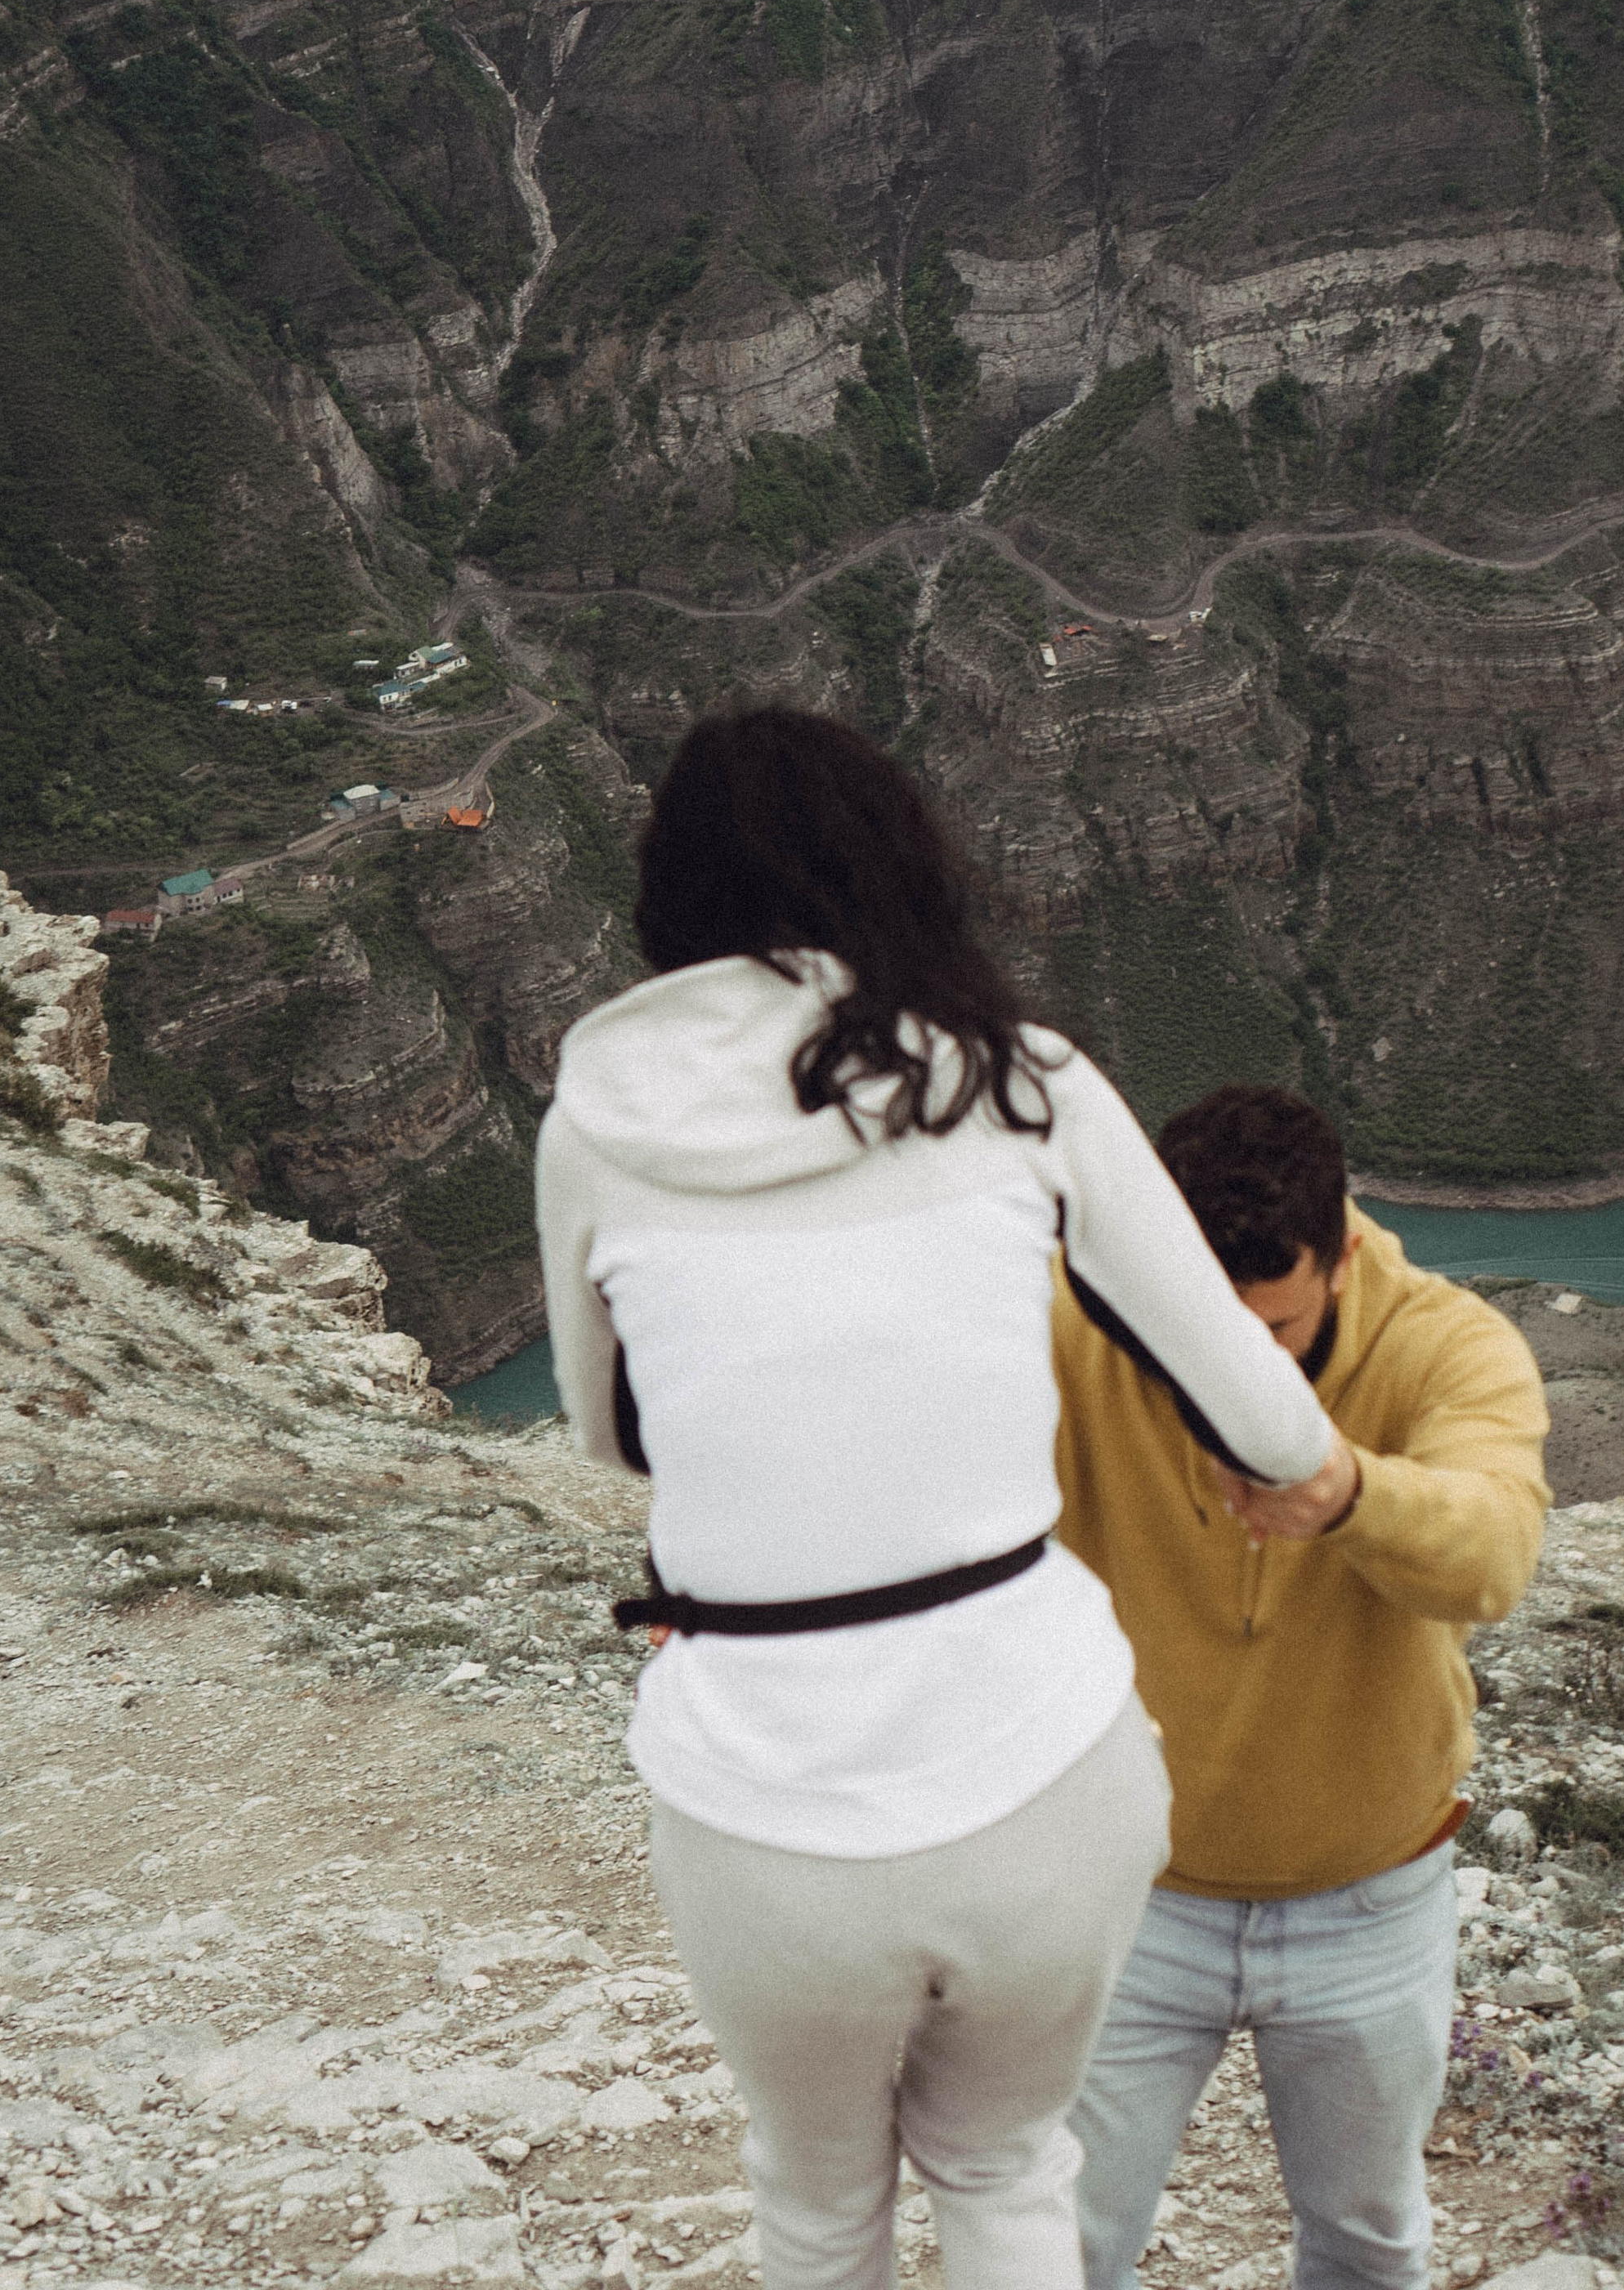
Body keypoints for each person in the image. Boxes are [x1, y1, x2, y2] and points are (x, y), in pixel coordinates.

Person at [535, 712, 1348, 2290]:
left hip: (761, 1795)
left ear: (670, 896)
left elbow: (610, 1439)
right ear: (902, 866)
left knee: (817, 2205)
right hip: (1040, 1762)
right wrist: (1315, 1489)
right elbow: (1262, 1412)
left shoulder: (598, 1129)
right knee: (1005, 2172)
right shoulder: (1020, 1081)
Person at [1054, 1082, 1552, 2290]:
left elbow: (1493, 1555)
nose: (1224, 1377)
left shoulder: (1450, 1344)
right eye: (1195, 1335)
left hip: (1368, 1901)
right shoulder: (1076, 1323)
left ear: (1338, 1259)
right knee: (1057, 2238)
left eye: (1266, 1339)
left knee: (1366, 2239)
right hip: (1130, 1888)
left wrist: (1349, 1496)